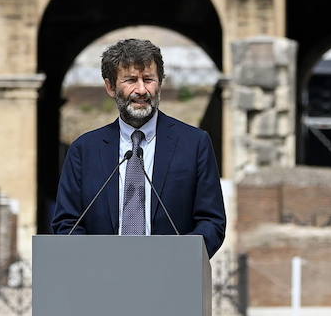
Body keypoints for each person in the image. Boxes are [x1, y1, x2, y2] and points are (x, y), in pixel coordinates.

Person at [50, 37, 227, 257]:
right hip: (101, 279)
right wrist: (95, 262)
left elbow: (211, 221)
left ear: (160, 83)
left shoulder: (195, 144)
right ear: (110, 86)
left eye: (149, 79)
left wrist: (182, 258)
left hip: (171, 277)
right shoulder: (84, 150)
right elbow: (67, 223)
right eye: (131, 80)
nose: (141, 90)